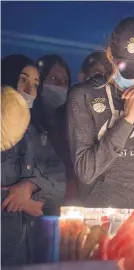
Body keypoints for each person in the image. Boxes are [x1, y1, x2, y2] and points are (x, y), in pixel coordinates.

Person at [67, 17, 134, 208]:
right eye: (131, 69)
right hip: (102, 216)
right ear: (110, 56)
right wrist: (126, 121)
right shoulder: (83, 95)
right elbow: (86, 172)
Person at [1, 54, 65, 266]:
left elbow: (60, 180)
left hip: (30, 247)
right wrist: (21, 202)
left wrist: (31, 186)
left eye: (35, 84)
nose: (29, 90)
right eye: (22, 80)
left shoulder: (41, 132)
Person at [32, 54, 78, 203]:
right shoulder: (26, 124)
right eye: (54, 79)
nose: (60, 85)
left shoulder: (71, 125)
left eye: (65, 81)